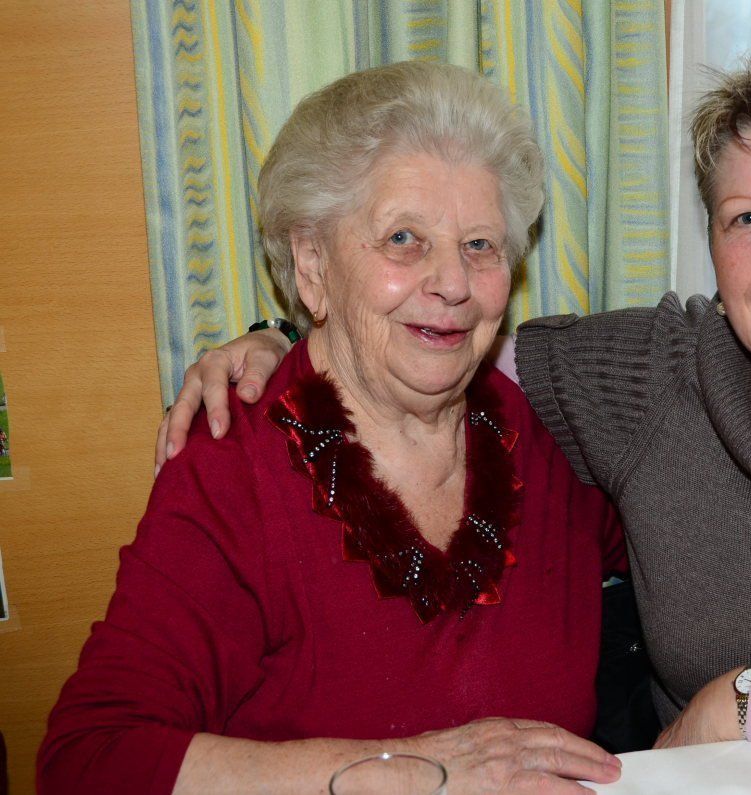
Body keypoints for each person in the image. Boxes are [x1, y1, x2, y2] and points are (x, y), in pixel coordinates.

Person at [154, 51, 751, 764]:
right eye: (745, 217)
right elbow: (431, 337)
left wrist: (748, 703)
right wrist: (281, 339)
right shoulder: (650, 375)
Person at [39, 61, 626, 794]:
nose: (453, 284)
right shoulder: (233, 473)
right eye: (404, 238)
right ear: (313, 266)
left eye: (480, 245)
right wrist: (417, 775)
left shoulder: (545, 430)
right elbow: (91, 760)